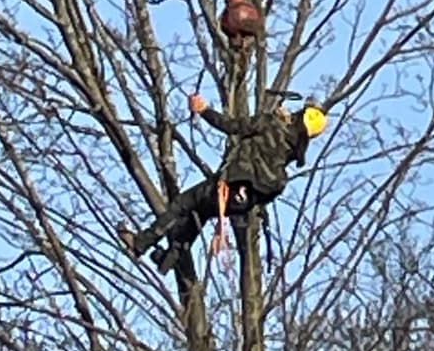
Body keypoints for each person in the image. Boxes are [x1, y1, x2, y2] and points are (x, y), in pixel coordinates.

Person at [121, 94, 327, 272]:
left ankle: (141, 243)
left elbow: (231, 126)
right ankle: (169, 258)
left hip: (229, 187)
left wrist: (204, 110)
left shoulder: (271, 124)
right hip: (239, 203)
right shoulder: (289, 154)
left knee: (182, 203)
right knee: (198, 213)